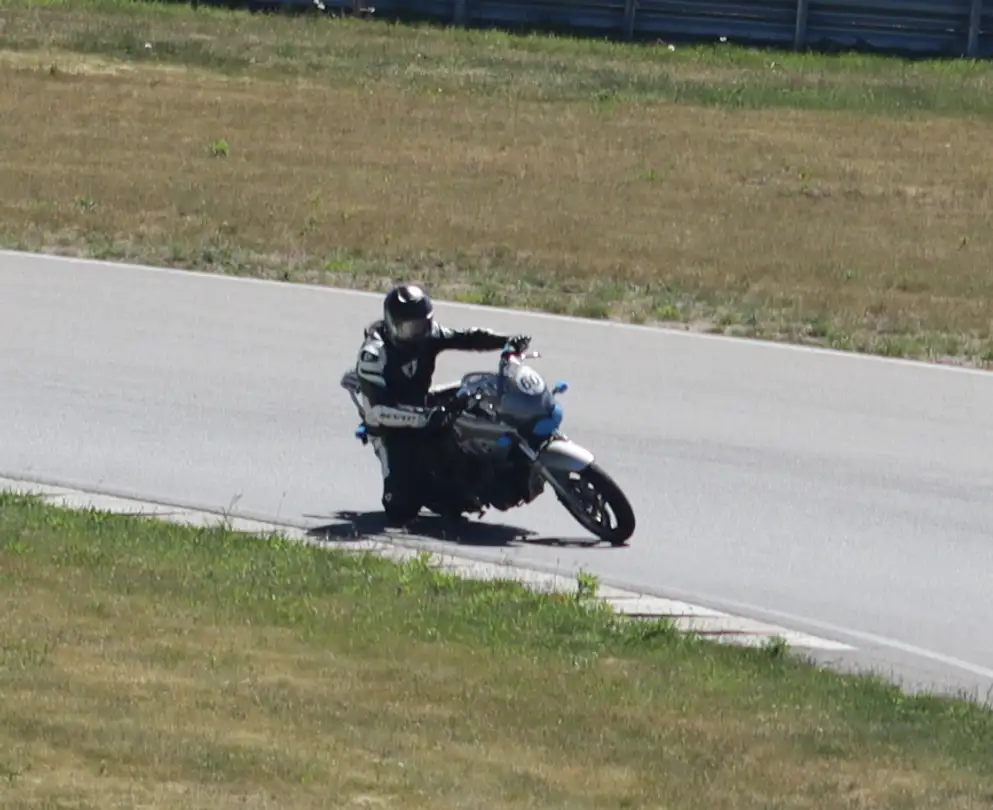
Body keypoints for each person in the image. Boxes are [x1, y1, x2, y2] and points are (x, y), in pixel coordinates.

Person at [353, 283, 530, 527]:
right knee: (400, 510)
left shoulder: (429, 334)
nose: (417, 333)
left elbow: (467, 338)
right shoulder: (374, 354)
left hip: (424, 404)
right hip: (391, 427)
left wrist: (506, 341)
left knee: (476, 399)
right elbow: (377, 411)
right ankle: (435, 493)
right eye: (410, 328)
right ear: (393, 325)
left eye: (423, 324)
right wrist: (424, 418)